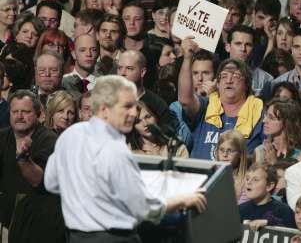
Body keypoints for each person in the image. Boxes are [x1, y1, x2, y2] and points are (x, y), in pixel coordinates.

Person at [44, 75, 207, 242]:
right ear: (104, 109)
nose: (133, 113)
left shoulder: (71, 134)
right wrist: (182, 200)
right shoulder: (116, 149)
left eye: (135, 106)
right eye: (127, 107)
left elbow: (51, 182)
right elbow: (142, 209)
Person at [178, 36, 264, 160]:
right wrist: (187, 58)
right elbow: (185, 100)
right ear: (217, 83)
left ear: (247, 84)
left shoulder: (259, 112)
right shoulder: (206, 106)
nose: (229, 80)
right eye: (224, 76)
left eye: (236, 76)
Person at [0, 90, 65, 242]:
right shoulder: (2, 137)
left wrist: (23, 158)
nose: (19, 116)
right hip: (6, 219)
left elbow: (37, 180)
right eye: (15, 111)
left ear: (39, 114)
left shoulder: (49, 140)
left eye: (25, 112)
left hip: (37, 224)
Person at [240, 163, 296, 230]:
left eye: (255, 180)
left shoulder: (284, 210)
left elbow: (292, 233)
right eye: (247, 178)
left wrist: (269, 223)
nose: (249, 182)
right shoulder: (240, 210)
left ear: (269, 186)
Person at [253, 98, 301, 165]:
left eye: (271, 118)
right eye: (266, 115)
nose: (264, 121)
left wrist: (274, 163)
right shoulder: (260, 151)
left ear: (286, 122)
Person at [215, 129, 249, 203]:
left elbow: (242, 209)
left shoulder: (246, 181)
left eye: (230, 151)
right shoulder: (211, 176)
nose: (224, 155)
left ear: (240, 154)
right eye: (221, 150)